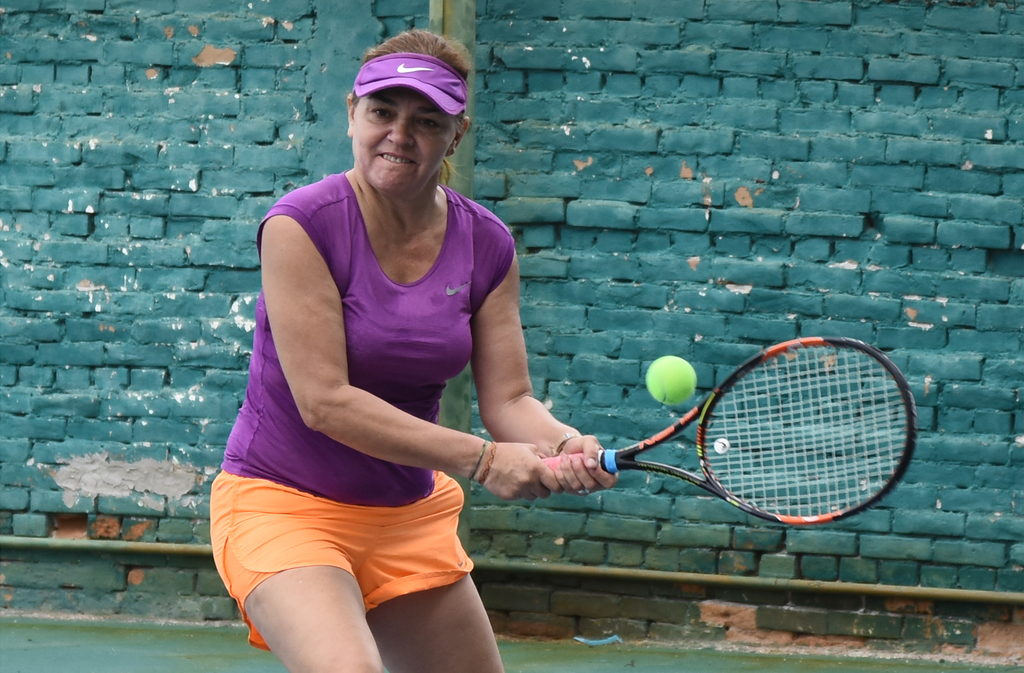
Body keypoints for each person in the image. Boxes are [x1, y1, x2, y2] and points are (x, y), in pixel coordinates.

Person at [209, 29, 617, 673]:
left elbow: (510, 399)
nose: (400, 134)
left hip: (405, 515)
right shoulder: (301, 225)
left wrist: (564, 443)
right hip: (284, 503)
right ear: (352, 114)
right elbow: (325, 403)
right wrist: (483, 460)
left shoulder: (486, 242)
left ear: (455, 135)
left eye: (426, 120)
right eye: (382, 112)